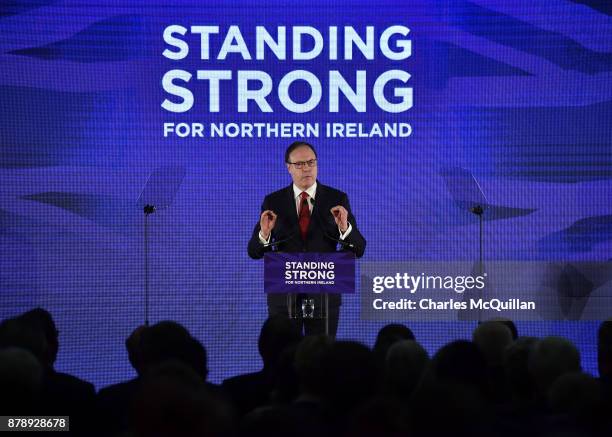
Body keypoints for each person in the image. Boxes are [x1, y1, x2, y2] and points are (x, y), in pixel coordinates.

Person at [248, 141, 366, 337]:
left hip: (324, 296)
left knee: (321, 360)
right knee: (283, 356)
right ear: (288, 167)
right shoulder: (273, 201)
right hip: (284, 296)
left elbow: (359, 248)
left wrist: (344, 229)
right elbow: (253, 251)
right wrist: (265, 235)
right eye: (300, 164)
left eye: (311, 162)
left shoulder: (336, 198)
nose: (307, 169)